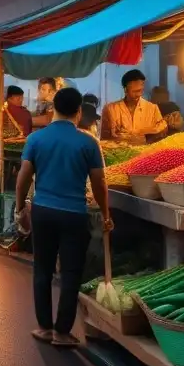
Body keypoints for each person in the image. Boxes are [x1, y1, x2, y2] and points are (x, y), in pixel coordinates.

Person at [16, 87, 112, 348]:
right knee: (71, 273)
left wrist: (19, 208)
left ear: (53, 109)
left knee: (42, 269)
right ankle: (62, 332)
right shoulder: (88, 142)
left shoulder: (36, 139)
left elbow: (23, 177)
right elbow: (99, 182)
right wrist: (105, 213)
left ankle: (44, 327)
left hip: (43, 212)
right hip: (74, 214)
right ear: (79, 112)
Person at [101, 69, 167, 143]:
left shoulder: (152, 108)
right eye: (135, 91)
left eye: (141, 90)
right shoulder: (110, 109)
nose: (139, 94)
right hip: (119, 153)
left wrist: (140, 137)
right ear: (125, 90)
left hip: (146, 153)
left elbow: (162, 132)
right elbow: (104, 140)